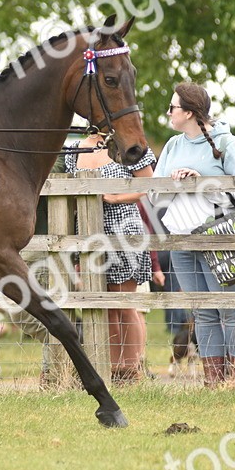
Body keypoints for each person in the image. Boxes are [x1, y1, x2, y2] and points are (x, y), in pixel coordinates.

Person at [153, 82, 235, 387]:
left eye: (172, 107)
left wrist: (204, 181)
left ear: (189, 112)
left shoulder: (229, 144)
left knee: (230, 309)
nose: (168, 112)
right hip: (182, 238)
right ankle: (214, 382)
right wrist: (174, 183)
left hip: (220, 239)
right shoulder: (172, 146)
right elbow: (155, 196)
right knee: (202, 309)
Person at [66, 131, 157, 383]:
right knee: (103, 306)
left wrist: (117, 197)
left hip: (124, 229)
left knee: (124, 303)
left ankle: (131, 369)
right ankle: (111, 369)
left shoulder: (129, 144)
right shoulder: (74, 150)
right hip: (89, 233)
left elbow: (148, 184)